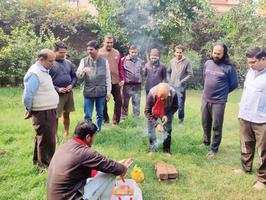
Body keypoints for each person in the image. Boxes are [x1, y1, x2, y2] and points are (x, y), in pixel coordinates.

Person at [46, 120, 128, 200]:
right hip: (70, 197)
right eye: (94, 136)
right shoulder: (85, 152)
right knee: (110, 173)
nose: (94, 139)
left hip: (55, 196)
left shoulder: (66, 145)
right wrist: (123, 168)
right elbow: (112, 167)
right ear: (88, 137)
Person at [234, 48, 266, 190]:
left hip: (262, 119)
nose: (250, 65)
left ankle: (262, 179)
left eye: (253, 62)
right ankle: (246, 168)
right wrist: (241, 112)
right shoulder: (250, 72)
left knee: (263, 150)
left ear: (263, 59)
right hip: (245, 116)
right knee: (245, 145)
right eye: (249, 62)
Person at [22, 49, 59, 172]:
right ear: (41, 59)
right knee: (46, 139)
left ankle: (39, 162)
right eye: (50, 61)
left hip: (48, 109)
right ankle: (45, 167)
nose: (52, 63)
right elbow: (28, 95)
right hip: (43, 111)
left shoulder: (44, 71)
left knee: (43, 137)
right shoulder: (34, 73)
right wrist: (29, 109)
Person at [199, 43, 238, 158]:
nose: (215, 55)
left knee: (216, 125)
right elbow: (205, 77)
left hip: (219, 102)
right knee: (205, 123)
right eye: (214, 53)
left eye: (218, 54)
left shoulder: (229, 68)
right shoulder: (208, 63)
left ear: (224, 54)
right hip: (205, 98)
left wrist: (222, 92)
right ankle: (206, 142)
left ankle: (214, 149)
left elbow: (234, 84)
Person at [76, 40, 111, 131]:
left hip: (101, 92)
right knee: (87, 114)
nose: (89, 51)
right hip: (89, 92)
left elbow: (108, 78)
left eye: (91, 49)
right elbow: (78, 76)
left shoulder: (105, 62)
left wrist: (108, 92)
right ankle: (88, 131)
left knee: (100, 113)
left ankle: (98, 130)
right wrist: (83, 70)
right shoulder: (83, 61)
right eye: (88, 50)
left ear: (97, 49)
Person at [49, 41, 77, 142]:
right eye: (61, 52)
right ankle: (55, 135)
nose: (63, 54)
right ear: (54, 52)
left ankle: (66, 132)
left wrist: (71, 85)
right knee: (55, 116)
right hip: (56, 94)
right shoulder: (50, 64)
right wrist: (57, 88)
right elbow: (46, 81)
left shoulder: (68, 63)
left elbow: (74, 77)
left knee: (67, 114)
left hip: (68, 93)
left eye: (64, 52)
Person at [144, 83, 178, 157]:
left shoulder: (173, 93)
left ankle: (166, 150)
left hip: (167, 111)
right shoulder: (152, 93)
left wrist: (168, 115)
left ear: (168, 93)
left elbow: (175, 107)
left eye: (164, 97)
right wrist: (156, 124)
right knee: (151, 130)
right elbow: (147, 111)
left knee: (168, 130)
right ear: (157, 92)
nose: (162, 99)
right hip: (154, 110)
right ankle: (153, 149)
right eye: (160, 97)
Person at [98, 35, 124, 125]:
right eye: (107, 42)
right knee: (103, 102)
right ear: (103, 42)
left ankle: (116, 121)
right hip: (103, 82)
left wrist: (122, 78)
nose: (109, 44)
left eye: (111, 42)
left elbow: (120, 67)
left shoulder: (117, 52)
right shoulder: (99, 53)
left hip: (115, 81)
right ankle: (105, 120)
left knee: (119, 100)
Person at [168, 45, 193, 124]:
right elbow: (168, 71)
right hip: (172, 86)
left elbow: (190, 74)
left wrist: (181, 82)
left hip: (181, 87)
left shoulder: (187, 61)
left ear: (183, 52)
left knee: (180, 104)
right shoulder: (172, 61)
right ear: (174, 53)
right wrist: (169, 80)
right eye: (177, 52)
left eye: (180, 52)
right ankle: (169, 117)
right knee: (170, 103)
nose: (178, 54)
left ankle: (181, 121)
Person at [121, 45, 143, 118]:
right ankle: (124, 117)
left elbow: (142, 72)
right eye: (132, 52)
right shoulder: (123, 60)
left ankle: (136, 117)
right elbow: (121, 72)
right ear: (129, 51)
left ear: (137, 52)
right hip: (127, 85)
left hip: (137, 85)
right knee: (125, 102)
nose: (133, 54)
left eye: (135, 52)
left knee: (136, 102)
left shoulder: (140, 61)